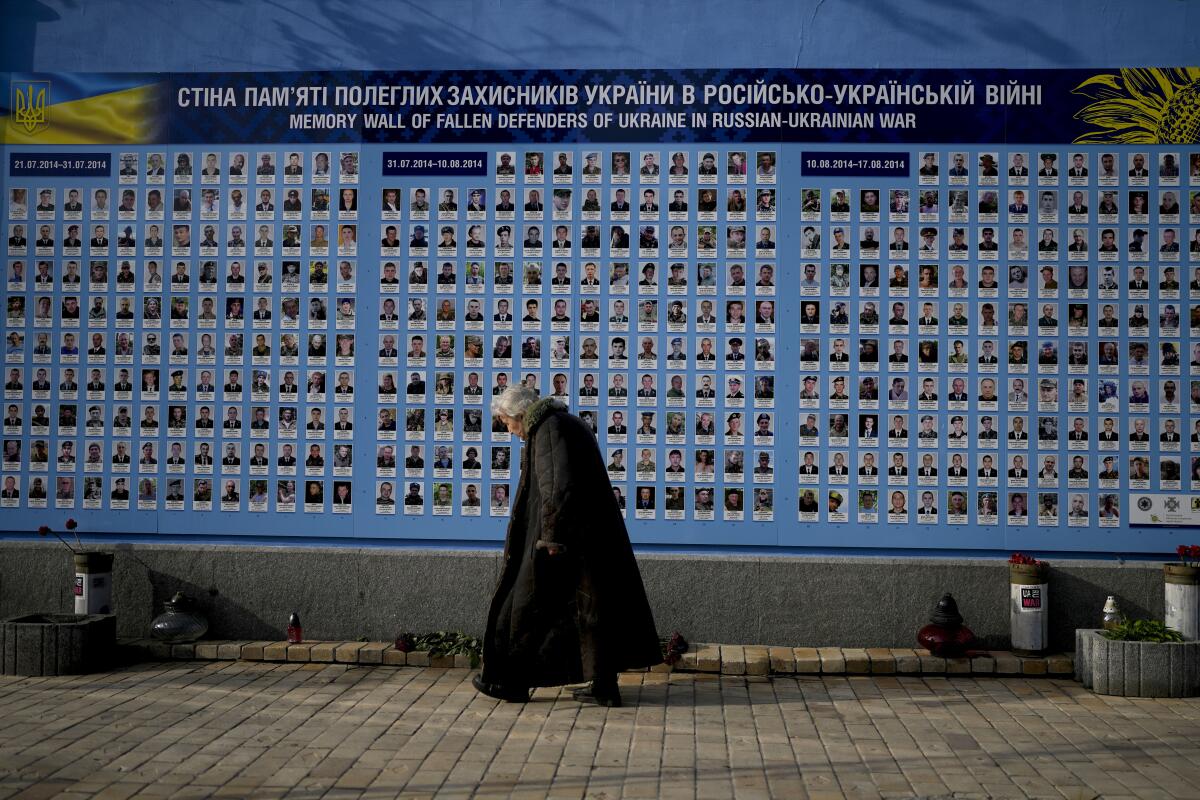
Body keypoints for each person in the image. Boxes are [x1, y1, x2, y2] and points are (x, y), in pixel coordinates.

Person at [477, 385, 660, 708]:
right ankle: (604, 685)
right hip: (589, 537)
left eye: (507, 422)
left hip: (565, 541)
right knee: (592, 612)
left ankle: (512, 682)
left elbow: (556, 487)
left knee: (526, 608)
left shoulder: (549, 430)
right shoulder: (564, 423)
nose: (508, 429)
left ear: (520, 415)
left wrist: (550, 537)